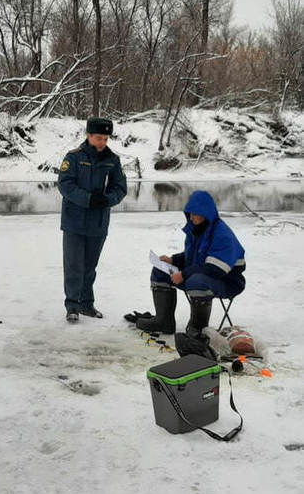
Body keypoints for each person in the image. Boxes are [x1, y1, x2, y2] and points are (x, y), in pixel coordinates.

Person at [136, 190, 246, 338]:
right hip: (201, 274)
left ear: (206, 214)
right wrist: (173, 260)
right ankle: (163, 321)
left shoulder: (221, 234)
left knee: (197, 281)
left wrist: (183, 274)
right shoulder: (197, 230)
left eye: (195, 214)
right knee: (160, 271)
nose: (191, 217)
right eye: (190, 214)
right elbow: (193, 257)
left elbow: (214, 268)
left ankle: (198, 328)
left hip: (227, 281)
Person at [57, 117, 127, 323]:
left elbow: (120, 188)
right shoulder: (74, 157)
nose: (102, 142)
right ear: (88, 136)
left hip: (98, 222)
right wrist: (88, 199)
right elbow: (65, 185)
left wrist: (107, 199)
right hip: (74, 222)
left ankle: (86, 304)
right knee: (73, 266)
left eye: (105, 138)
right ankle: (72, 305)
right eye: (98, 138)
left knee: (89, 266)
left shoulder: (112, 160)